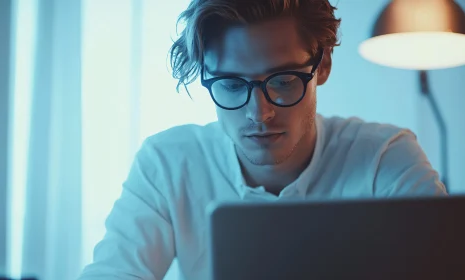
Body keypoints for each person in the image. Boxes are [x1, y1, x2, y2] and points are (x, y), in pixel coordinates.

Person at [78, 0, 447, 279]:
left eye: (283, 80)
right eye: (231, 84)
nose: (259, 113)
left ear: (323, 67)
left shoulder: (385, 158)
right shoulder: (168, 163)